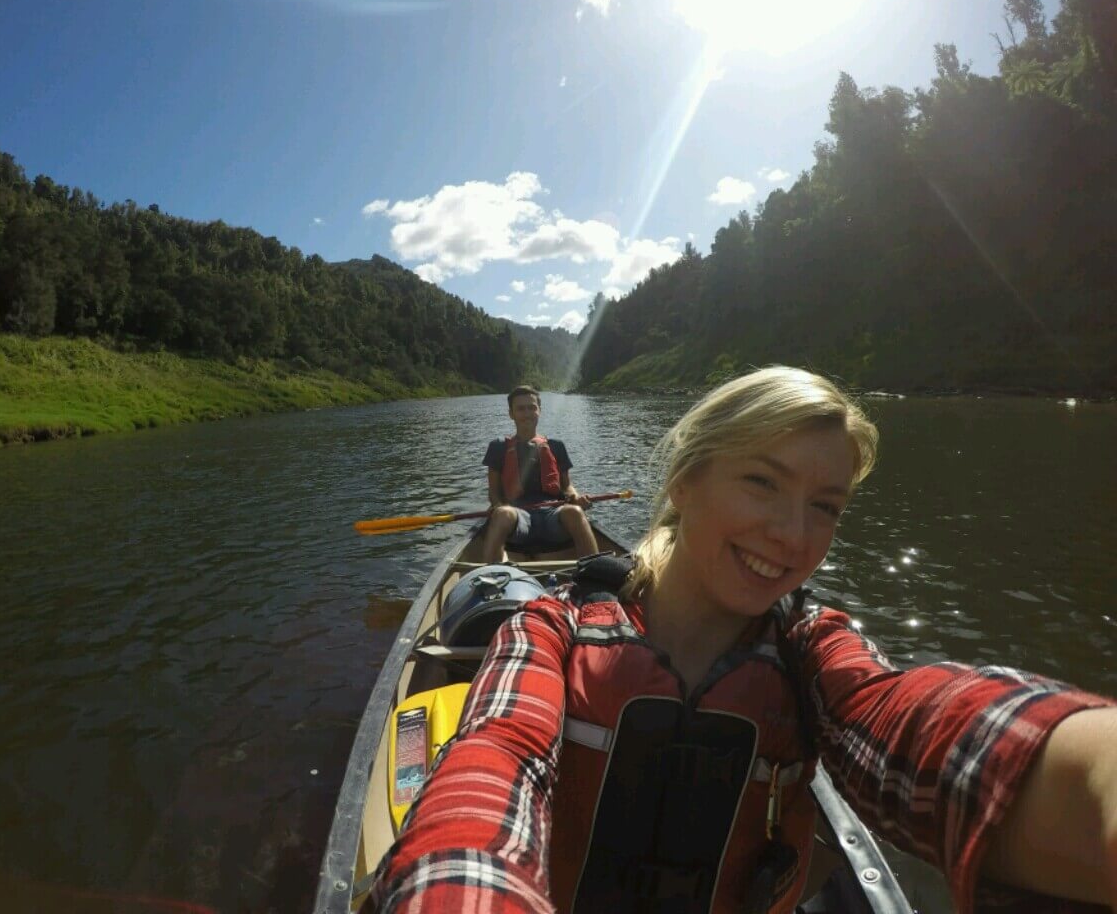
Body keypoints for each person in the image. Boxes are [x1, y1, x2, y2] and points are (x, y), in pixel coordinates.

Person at [368, 366, 1117, 914]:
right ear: (686, 482)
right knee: (504, 527)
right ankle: (526, 571)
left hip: (557, 518)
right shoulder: (550, 629)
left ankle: (586, 547)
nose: (794, 536)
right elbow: (492, 762)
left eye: (825, 506)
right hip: (515, 526)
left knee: (567, 519)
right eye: (762, 482)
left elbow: (910, 722)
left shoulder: (814, 648)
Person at [479, 385, 599, 563]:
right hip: (517, 517)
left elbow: (566, 486)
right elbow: (494, 492)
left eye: (532, 407)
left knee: (574, 512)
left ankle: (596, 573)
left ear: (539, 411)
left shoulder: (556, 446)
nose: (527, 413)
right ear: (511, 413)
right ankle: (491, 576)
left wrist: (575, 497)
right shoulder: (498, 447)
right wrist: (496, 506)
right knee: (503, 514)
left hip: (553, 515)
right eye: (520, 408)